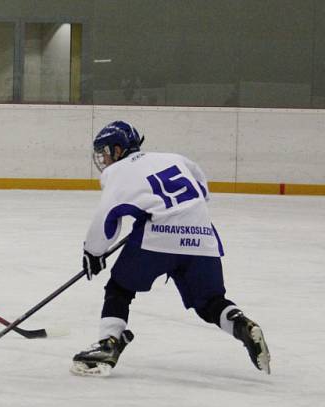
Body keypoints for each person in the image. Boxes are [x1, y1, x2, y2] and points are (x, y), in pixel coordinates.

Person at [71, 120, 270, 377]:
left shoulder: (117, 171)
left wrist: (94, 251)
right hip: (201, 236)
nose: (104, 160)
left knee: (119, 289)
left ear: (118, 149)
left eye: (106, 152)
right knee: (210, 302)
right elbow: (202, 190)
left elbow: (107, 216)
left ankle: (109, 344)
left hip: (157, 239)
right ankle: (242, 325)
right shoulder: (175, 158)